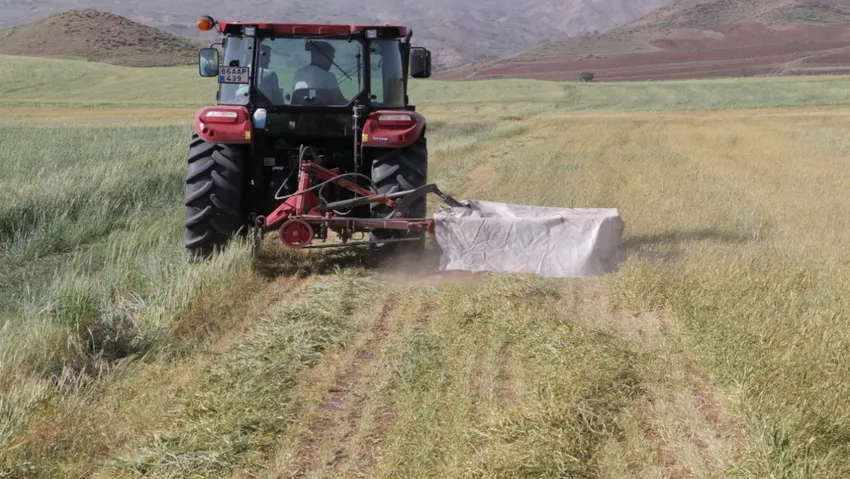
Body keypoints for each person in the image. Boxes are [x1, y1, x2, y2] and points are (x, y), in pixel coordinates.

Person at [291, 41, 348, 105]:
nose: (331, 63)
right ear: (321, 56)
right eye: (330, 58)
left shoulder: (298, 73)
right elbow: (340, 102)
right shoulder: (329, 76)